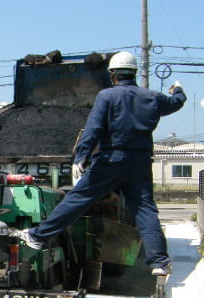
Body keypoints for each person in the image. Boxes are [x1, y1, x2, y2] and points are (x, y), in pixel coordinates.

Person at [13, 51, 187, 277]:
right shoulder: (152, 97)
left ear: (112, 74)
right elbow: (176, 102)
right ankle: (160, 262)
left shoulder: (107, 96)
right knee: (145, 210)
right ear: (134, 73)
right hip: (139, 162)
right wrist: (178, 90)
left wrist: (80, 157)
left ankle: (37, 236)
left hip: (110, 160)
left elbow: (94, 128)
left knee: (78, 198)